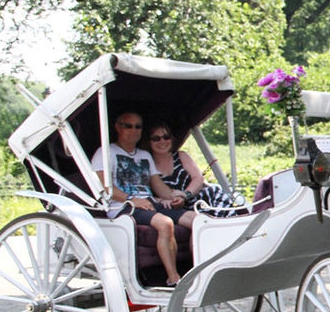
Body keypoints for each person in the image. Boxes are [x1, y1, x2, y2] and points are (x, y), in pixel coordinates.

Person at [91, 111, 195, 286]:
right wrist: (132, 199)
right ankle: (173, 278)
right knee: (165, 223)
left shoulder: (144, 155)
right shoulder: (105, 152)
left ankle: (198, 270)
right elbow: (105, 187)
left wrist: (175, 197)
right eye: (129, 126)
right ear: (118, 127)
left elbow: (157, 185)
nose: (134, 130)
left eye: (138, 126)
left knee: (198, 220)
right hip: (123, 206)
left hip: (149, 203)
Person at [144, 122, 241, 216]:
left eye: (166, 137)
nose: (162, 141)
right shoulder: (147, 165)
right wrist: (162, 201)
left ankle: (229, 223)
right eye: (156, 138)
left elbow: (198, 178)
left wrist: (185, 195)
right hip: (172, 206)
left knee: (214, 191)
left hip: (194, 198)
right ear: (148, 142)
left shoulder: (181, 156)